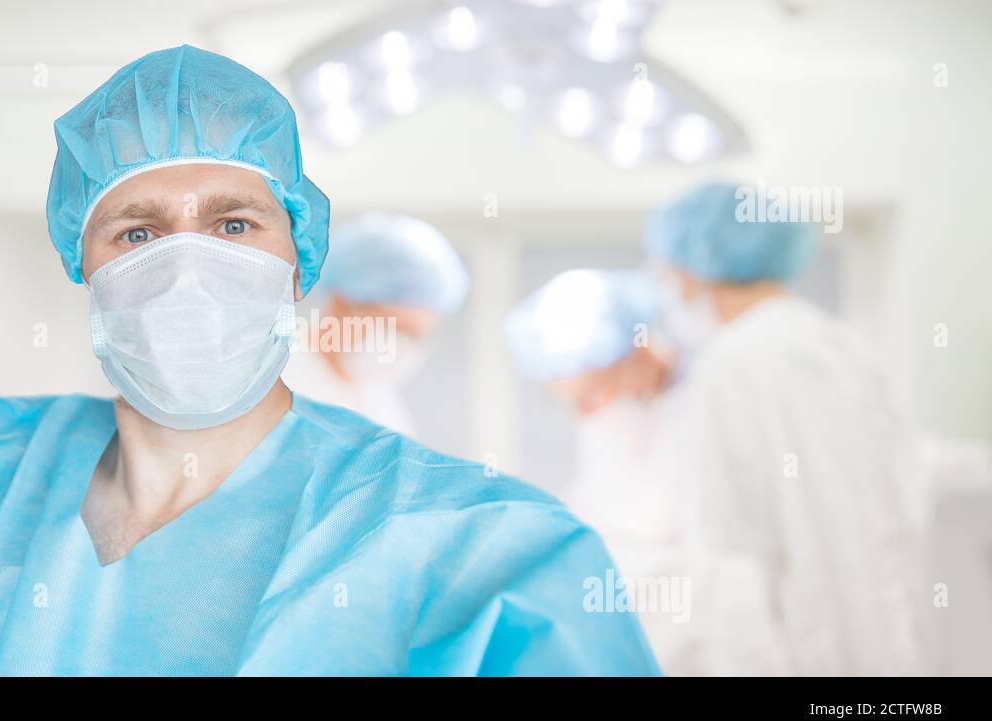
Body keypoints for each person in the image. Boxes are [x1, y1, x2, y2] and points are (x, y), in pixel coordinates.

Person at [0, 46, 659, 676]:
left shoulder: (476, 547)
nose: (188, 267)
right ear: (84, 264)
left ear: (299, 265)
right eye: (139, 232)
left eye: (234, 225)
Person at [643, 181, 928, 675]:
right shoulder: (846, 349)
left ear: (693, 266)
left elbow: (728, 552)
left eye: (668, 269)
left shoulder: (730, 364)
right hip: (891, 650)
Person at [506, 269, 692, 663]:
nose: (590, 410)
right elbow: (600, 509)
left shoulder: (700, 408)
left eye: (593, 392)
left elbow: (661, 528)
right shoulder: (612, 414)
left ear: (635, 352)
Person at [282, 213, 467, 436]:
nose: (405, 346)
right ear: (343, 304)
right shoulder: (273, 387)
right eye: (400, 328)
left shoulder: (382, 406)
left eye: (418, 336)